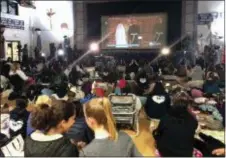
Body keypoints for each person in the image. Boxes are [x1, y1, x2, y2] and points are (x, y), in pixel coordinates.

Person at [153, 91, 198, 157]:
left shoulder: (166, 117)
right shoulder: (192, 119)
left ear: (173, 102)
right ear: (188, 104)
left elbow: (159, 132)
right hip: (185, 154)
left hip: (166, 152)